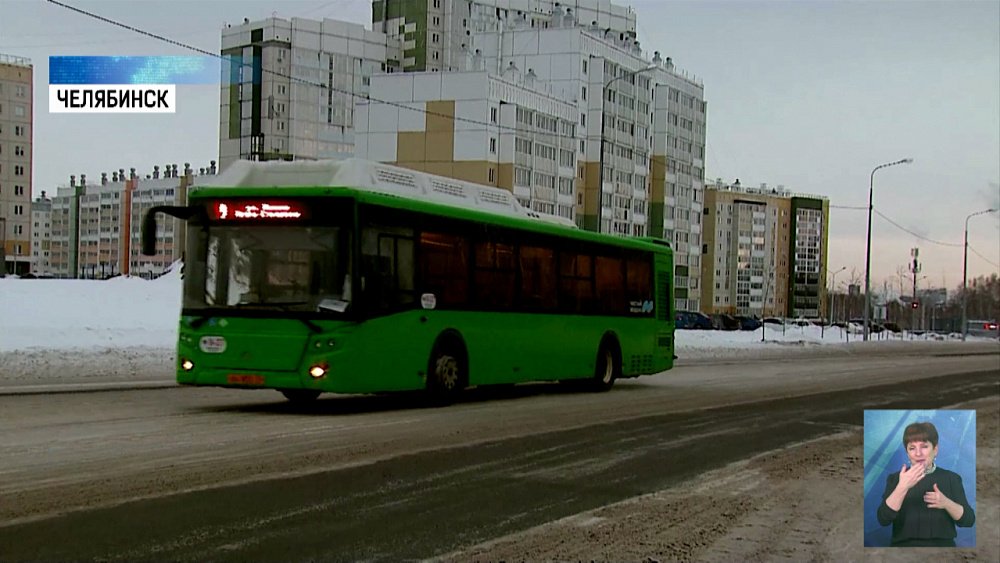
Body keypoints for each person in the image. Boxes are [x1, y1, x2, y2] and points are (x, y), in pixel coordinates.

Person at [876, 421, 976, 547]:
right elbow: (883, 519)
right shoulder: (895, 479)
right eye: (912, 448)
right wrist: (902, 486)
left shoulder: (952, 478)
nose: (918, 453)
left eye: (924, 446)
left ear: (935, 449)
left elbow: (969, 521)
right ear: (907, 452)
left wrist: (946, 503)